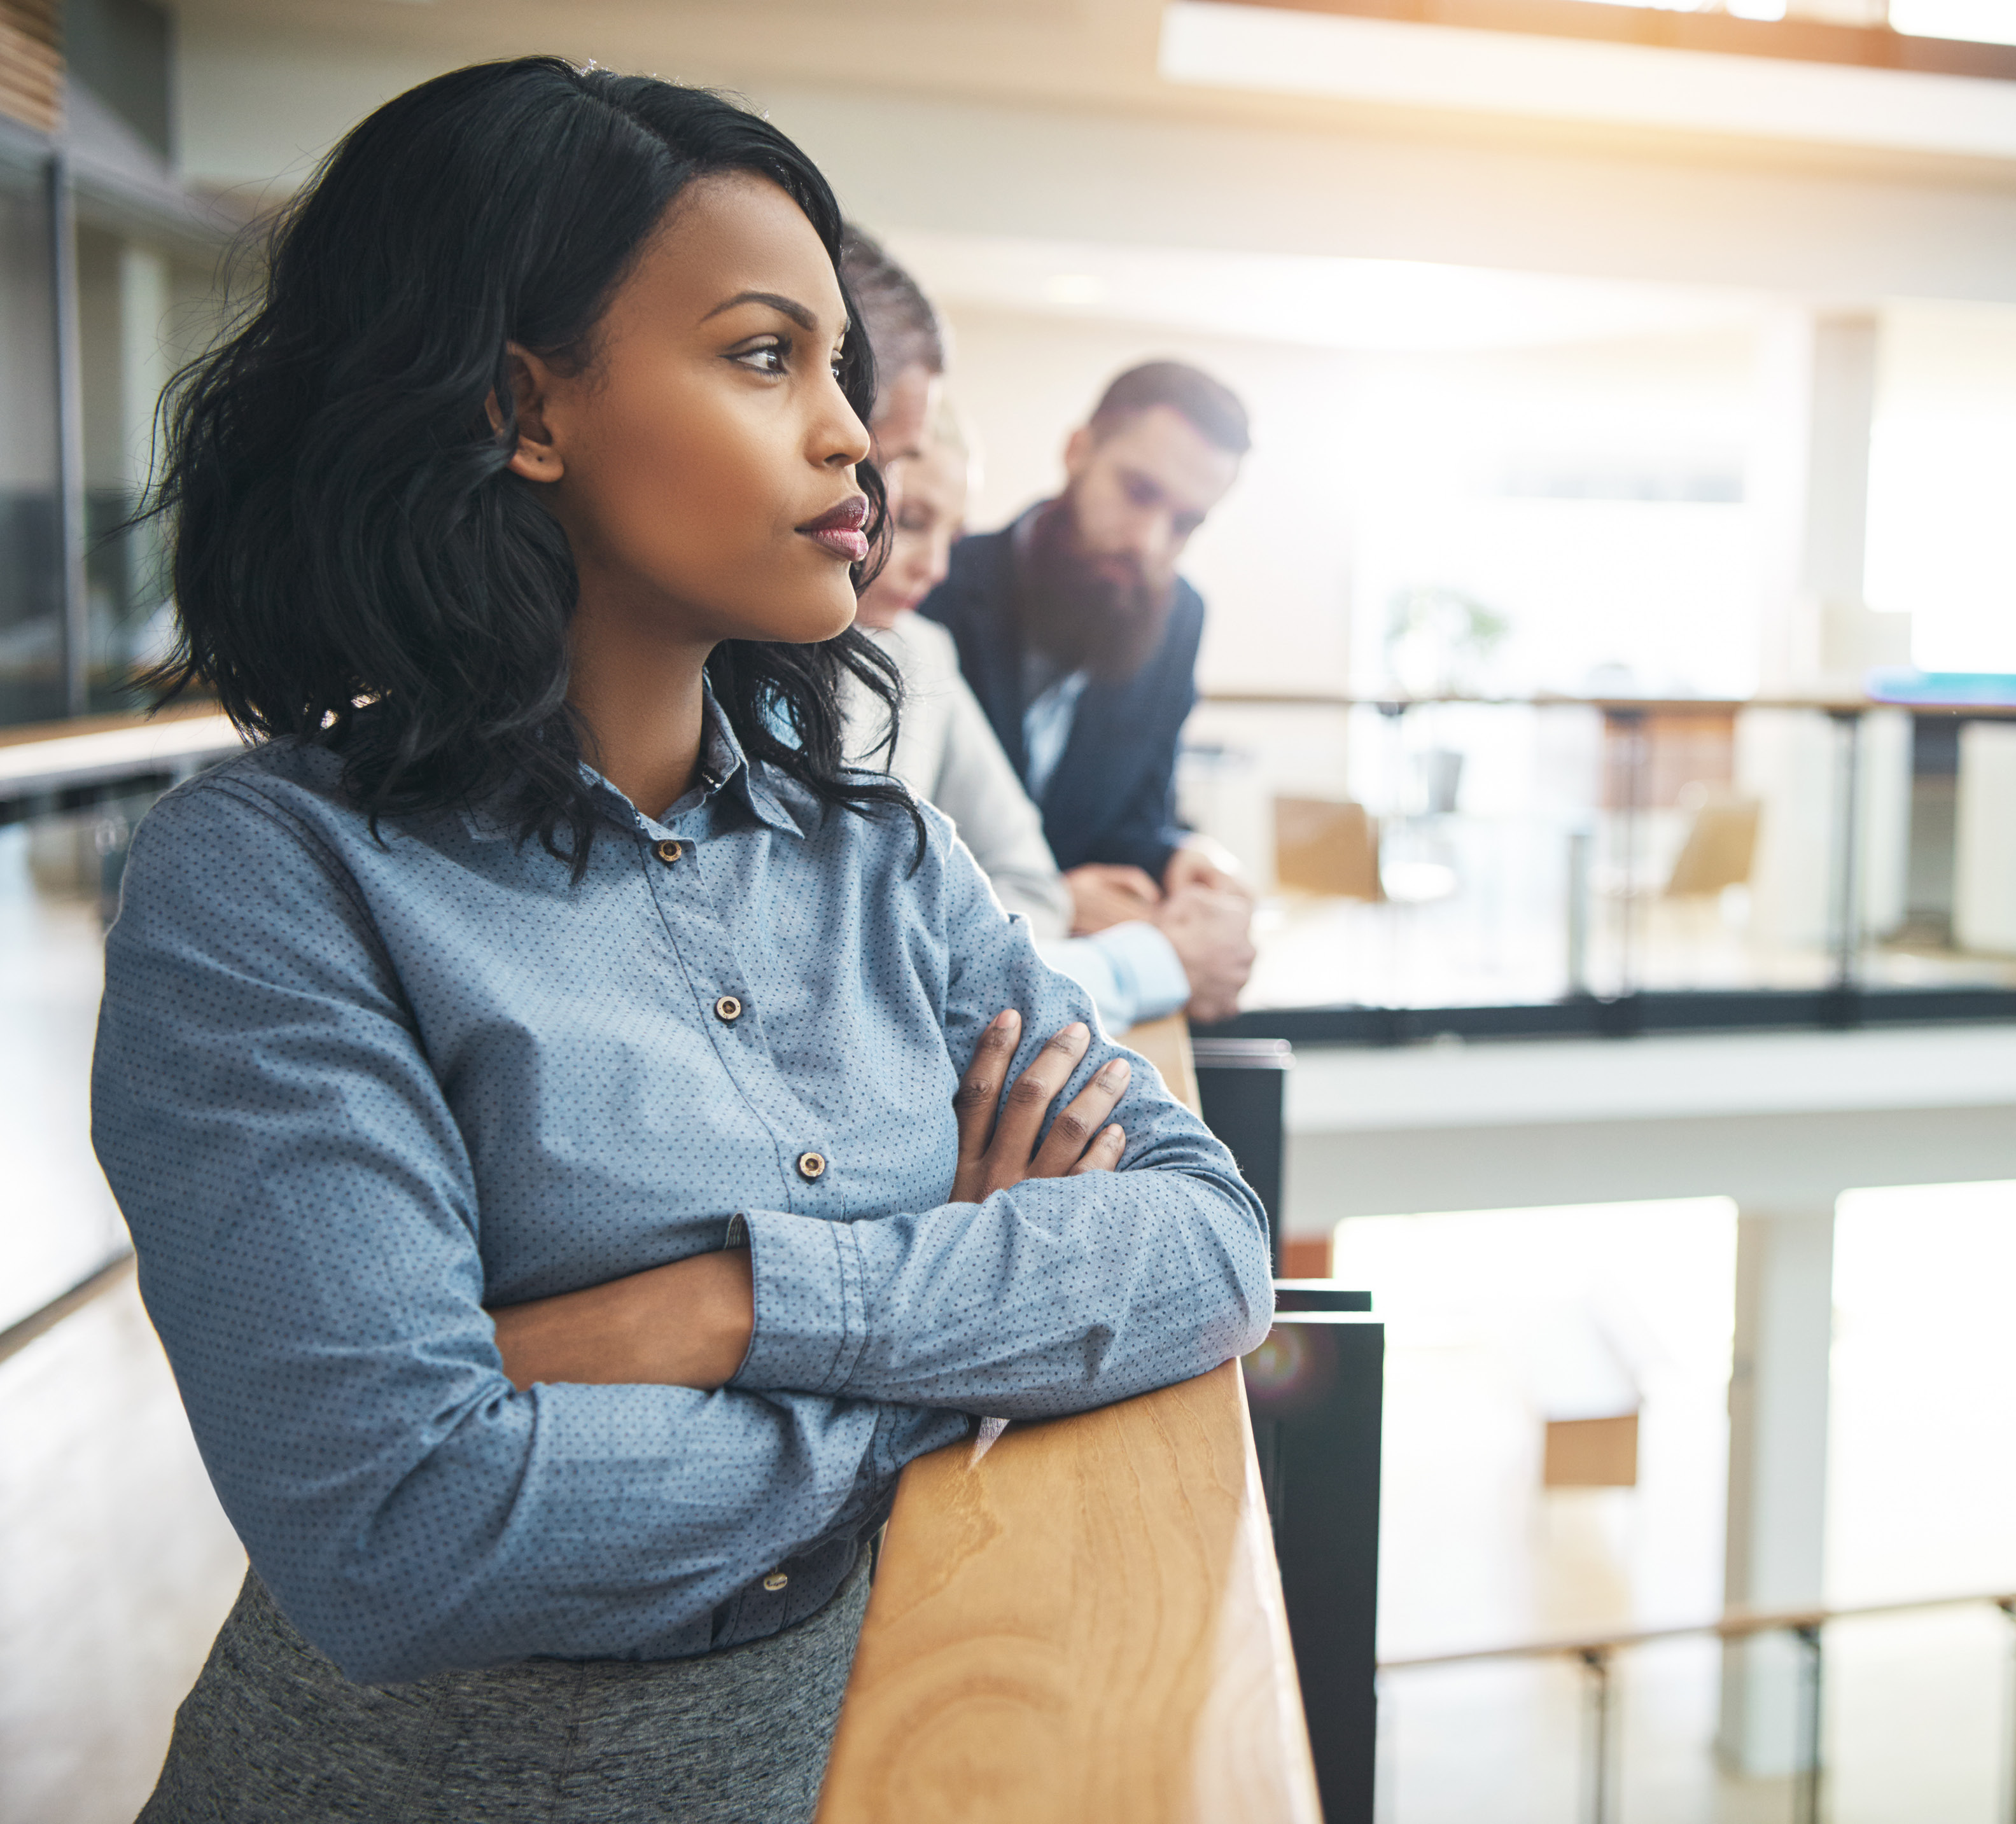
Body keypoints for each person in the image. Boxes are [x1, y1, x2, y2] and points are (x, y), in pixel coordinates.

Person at [92, 59, 1270, 1823]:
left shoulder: (893, 864)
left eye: (838, 373)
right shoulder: (268, 885)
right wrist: (950, 1324)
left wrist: (722, 1310)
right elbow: (412, 1530)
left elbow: (1200, 1245)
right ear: (522, 405)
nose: (853, 436)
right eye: (759, 354)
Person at [918, 359, 1253, 941]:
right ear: (1077, 451)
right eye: (1138, 492)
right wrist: (1045, 903)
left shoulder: (1178, 617)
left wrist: (1178, 857)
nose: (1148, 543)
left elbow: (1134, 820)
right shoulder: (927, 586)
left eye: (1184, 525)